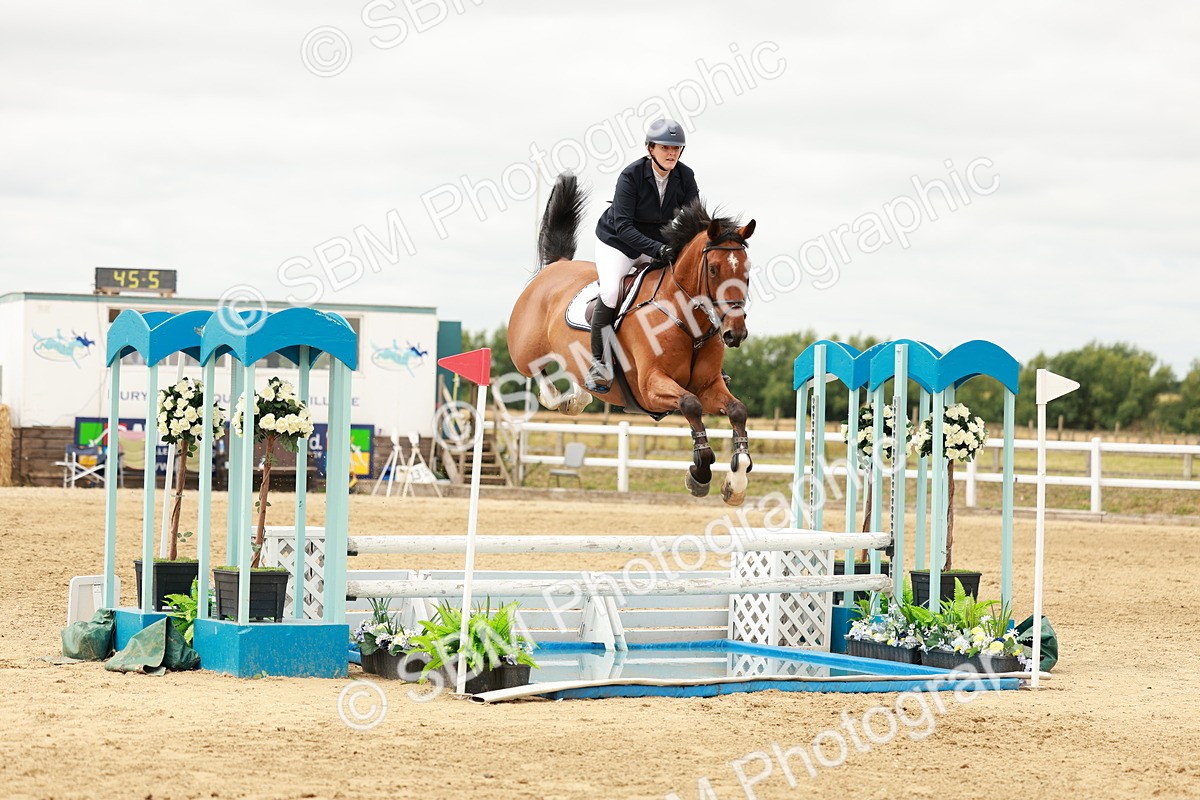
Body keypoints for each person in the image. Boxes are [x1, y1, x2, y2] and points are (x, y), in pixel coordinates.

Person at [588, 118, 699, 392]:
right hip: (618, 243)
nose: (672, 153)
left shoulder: (685, 177)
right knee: (612, 292)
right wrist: (658, 249)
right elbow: (624, 226)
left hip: (657, 245)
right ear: (650, 148)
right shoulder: (631, 176)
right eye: (665, 148)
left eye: (677, 148)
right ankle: (599, 363)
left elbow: (695, 220)